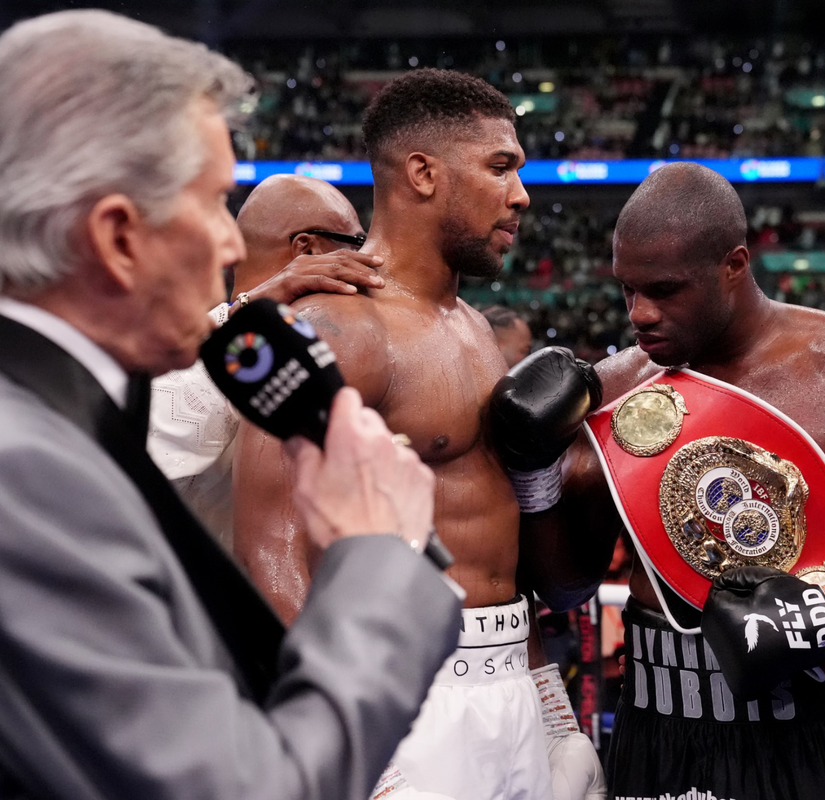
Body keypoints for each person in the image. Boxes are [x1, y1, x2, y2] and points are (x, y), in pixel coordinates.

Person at [0, 11, 460, 800]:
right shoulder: (30, 474)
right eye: (216, 203)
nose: (231, 245)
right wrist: (380, 553)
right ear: (117, 237)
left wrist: (232, 315)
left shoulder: (49, 413)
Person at [493, 163, 825, 800]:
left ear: (734, 264)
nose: (641, 314)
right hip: (664, 726)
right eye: (628, 290)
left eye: (664, 290)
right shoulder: (614, 389)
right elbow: (566, 585)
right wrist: (534, 474)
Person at [233, 69, 604, 800]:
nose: (521, 195)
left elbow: (499, 548)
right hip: (401, 699)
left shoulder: (473, 329)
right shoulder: (338, 327)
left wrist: (553, 713)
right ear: (424, 173)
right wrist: (351, 747)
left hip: (510, 690)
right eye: (500, 167)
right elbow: (269, 550)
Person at [148, 174, 382, 548]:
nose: (369, 258)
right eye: (357, 242)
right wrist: (246, 309)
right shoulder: (171, 354)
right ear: (308, 251)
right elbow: (131, 437)